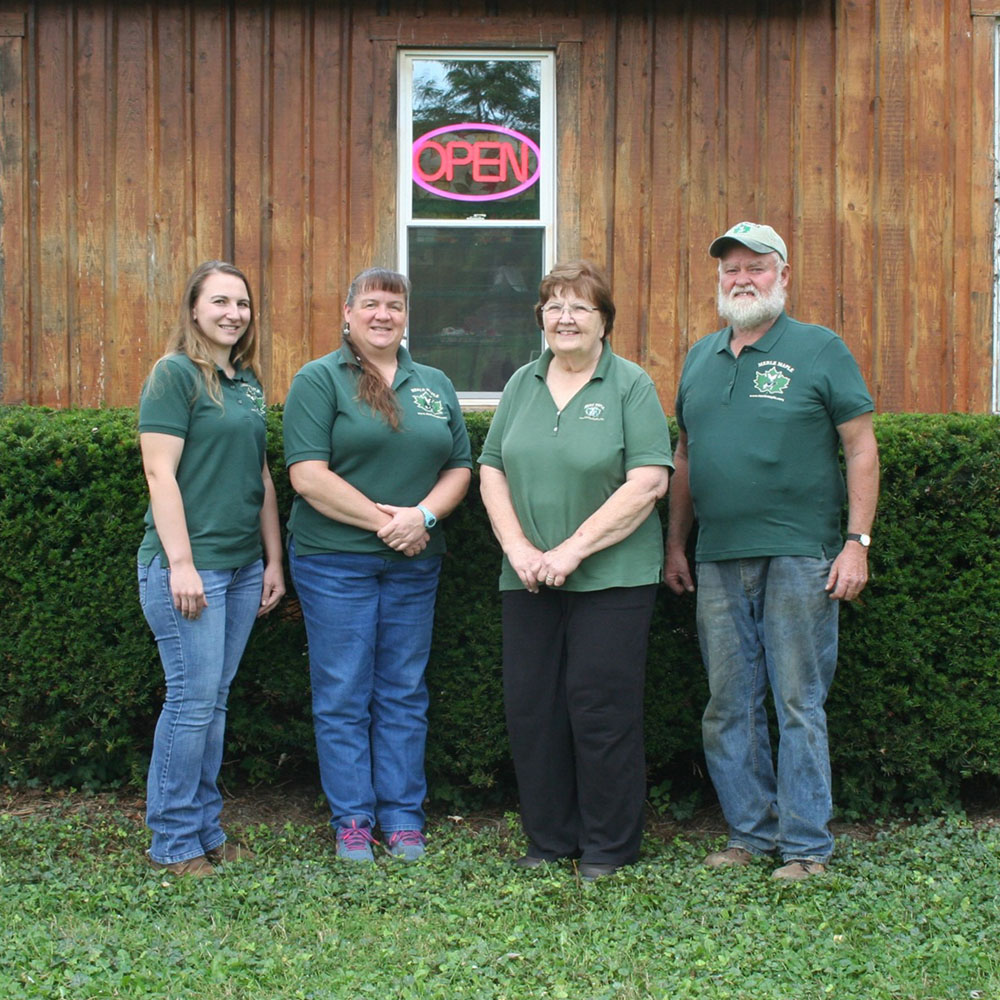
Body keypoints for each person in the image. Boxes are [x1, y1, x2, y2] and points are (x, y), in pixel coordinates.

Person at [665, 222, 879, 881]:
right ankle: (750, 836)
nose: (743, 278)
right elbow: (685, 457)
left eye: (757, 266)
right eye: (731, 269)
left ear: (783, 276)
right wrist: (676, 542)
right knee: (728, 703)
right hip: (719, 557)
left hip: (801, 556)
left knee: (797, 702)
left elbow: (861, 448)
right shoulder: (701, 357)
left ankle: (807, 848)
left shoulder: (819, 349)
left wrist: (856, 543)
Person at [479, 260, 673, 881]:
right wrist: (518, 549)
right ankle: (550, 840)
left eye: (579, 307)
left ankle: (609, 847)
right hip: (527, 577)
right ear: (541, 319)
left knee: (600, 707)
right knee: (532, 708)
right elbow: (491, 469)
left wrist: (570, 551)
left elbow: (648, 481)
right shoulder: (520, 384)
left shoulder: (630, 385)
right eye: (553, 306)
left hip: (613, 580)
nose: (564, 317)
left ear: (604, 322)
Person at [283, 267, 472, 862]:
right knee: (343, 690)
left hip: (416, 563)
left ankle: (402, 817)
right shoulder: (319, 380)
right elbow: (308, 476)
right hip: (335, 561)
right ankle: (353, 821)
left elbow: (460, 467)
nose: (382, 314)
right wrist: (389, 524)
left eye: (394, 305)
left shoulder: (433, 382)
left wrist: (425, 519)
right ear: (347, 313)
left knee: (404, 691)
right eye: (370, 304)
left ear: (407, 315)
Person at [138, 261, 285, 877]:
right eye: (220, 301)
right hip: (190, 569)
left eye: (243, 303)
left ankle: (204, 828)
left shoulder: (245, 381)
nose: (233, 313)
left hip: (242, 566)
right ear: (194, 309)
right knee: (192, 702)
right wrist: (181, 564)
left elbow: (260, 476)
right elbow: (158, 473)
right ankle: (173, 841)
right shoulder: (175, 375)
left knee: (213, 703)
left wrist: (274, 558)